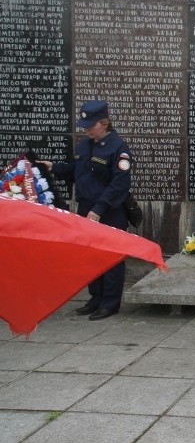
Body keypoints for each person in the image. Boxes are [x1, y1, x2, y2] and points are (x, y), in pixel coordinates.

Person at [41, 100, 133, 321]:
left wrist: (99, 208)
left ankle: (110, 303)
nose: (87, 129)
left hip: (109, 211)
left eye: (91, 125)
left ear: (104, 123)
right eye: (85, 125)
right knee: (91, 257)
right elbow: (77, 171)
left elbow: (120, 183)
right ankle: (95, 298)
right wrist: (54, 167)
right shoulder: (85, 145)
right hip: (86, 209)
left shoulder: (118, 148)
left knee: (111, 257)